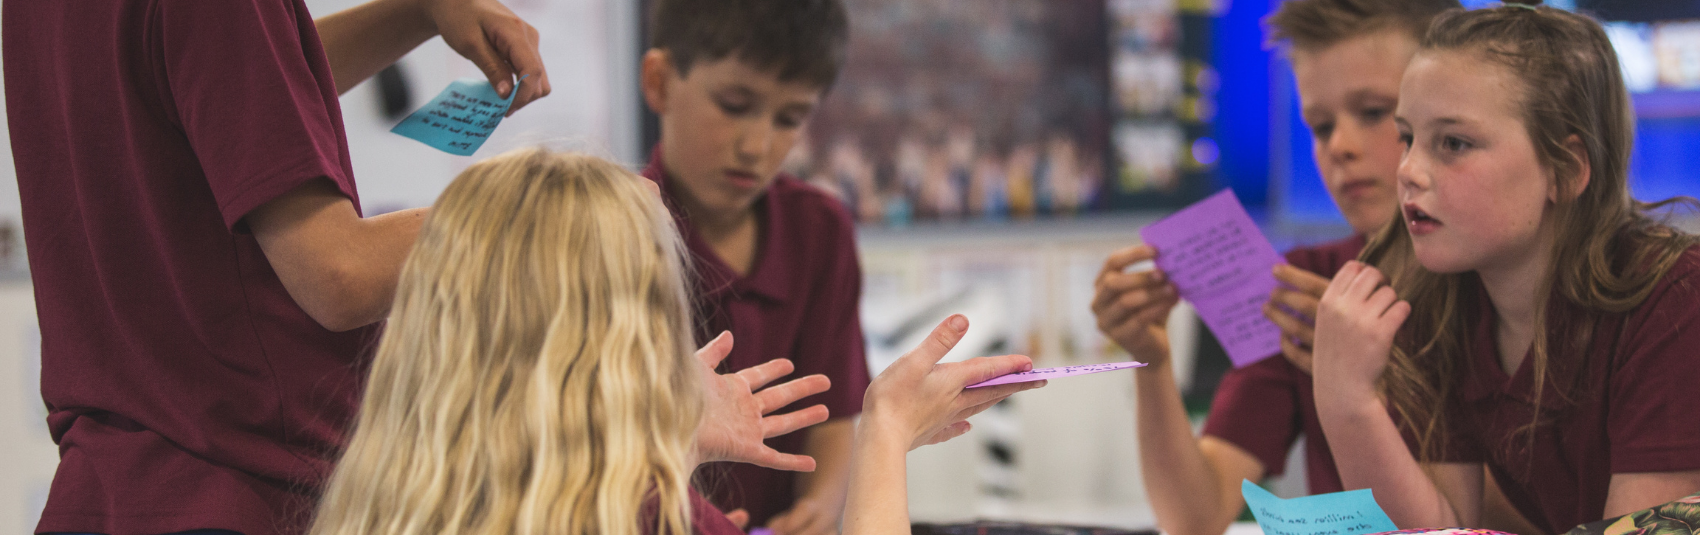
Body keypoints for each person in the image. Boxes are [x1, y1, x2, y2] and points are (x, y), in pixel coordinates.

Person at [2, 0, 550, 533]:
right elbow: (337, 275)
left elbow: (227, 77)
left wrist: (417, 12)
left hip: (104, 490)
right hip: (234, 486)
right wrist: (553, 207)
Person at [305, 148, 1043, 535]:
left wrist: (667, 442)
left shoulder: (397, 500)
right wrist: (884, 434)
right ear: (625, 335)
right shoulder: (649, 515)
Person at [1312, 4, 1700, 534]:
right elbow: (1442, 528)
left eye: (1453, 143)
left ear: (1565, 170)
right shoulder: (1445, 297)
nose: (1407, 171)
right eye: (1407, 137)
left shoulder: (1676, 299)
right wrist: (1346, 401)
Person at [1089, 2, 1460, 534]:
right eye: (1320, 124)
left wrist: (1369, 380)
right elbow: (1195, 517)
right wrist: (1151, 359)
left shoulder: (1500, 280)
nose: (1341, 147)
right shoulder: (1303, 286)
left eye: (1375, 112)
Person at [637, 0, 868, 532]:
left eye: (790, 118)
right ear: (661, 82)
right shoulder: (611, 232)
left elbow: (835, 414)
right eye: (734, 104)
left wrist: (821, 507)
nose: (757, 146)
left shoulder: (821, 231)